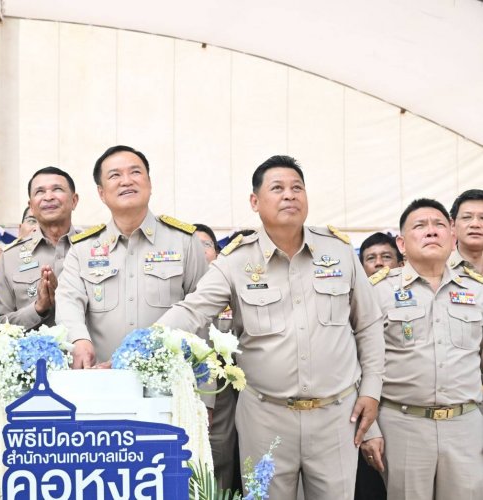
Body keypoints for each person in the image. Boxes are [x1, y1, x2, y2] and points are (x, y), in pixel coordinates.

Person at [158, 155, 384, 499]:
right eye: (277, 188)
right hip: (265, 416)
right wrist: (141, 343)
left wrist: (370, 390)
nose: (289, 195)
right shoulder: (236, 261)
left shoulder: (338, 251)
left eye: (297, 188)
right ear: (255, 201)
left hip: (336, 416)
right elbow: (192, 311)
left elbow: (367, 325)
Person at [361, 198, 482, 499]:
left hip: (465, 424)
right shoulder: (378, 291)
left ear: (453, 237)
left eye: (439, 225)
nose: (431, 231)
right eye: (420, 226)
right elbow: (358, 364)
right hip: (403, 425)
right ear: (401, 243)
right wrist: (370, 430)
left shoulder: (477, 290)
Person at [56, 145, 208, 368]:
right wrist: (79, 339)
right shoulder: (82, 249)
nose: (126, 181)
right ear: (101, 193)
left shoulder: (184, 241)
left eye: (135, 172)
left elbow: (202, 313)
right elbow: (68, 301)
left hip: (170, 385)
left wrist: (204, 393)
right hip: (102, 381)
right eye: (115, 175)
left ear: (150, 183)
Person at [0, 167, 79, 330]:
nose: (48, 197)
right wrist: (38, 308)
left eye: (57, 189)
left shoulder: (95, 248)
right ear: (31, 206)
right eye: (40, 192)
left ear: (74, 200)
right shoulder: (11, 257)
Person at [194, 224, 246, 493]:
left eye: (206, 244)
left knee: (221, 461)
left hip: (223, 388)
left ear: (217, 251)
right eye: (195, 245)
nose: (201, 250)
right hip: (181, 387)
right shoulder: (177, 289)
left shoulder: (231, 288)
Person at [449, 188, 483, 274]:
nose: (475, 224)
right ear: (453, 225)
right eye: (467, 217)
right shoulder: (437, 269)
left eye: (482, 218)